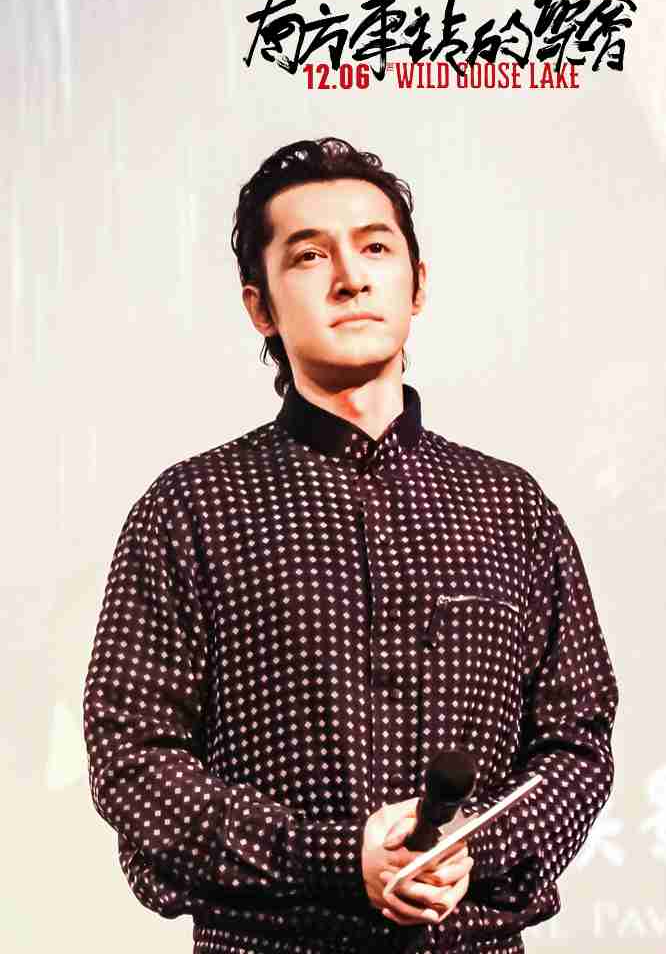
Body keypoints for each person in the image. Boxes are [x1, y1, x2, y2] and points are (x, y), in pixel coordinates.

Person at [82, 137, 619, 954]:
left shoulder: (512, 508)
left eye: (375, 247)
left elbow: (577, 741)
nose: (351, 278)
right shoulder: (189, 509)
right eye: (309, 255)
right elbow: (132, 758)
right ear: (260, 307)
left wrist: (475, 847)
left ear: (418, 284)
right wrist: (333, 858)